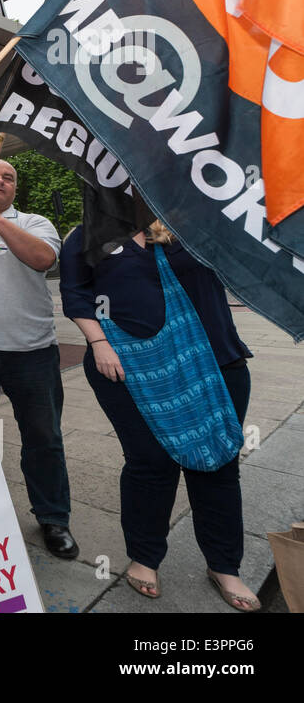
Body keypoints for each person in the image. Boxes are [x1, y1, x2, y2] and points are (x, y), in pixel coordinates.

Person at [60, 220, 258, 610]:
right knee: (150, 463)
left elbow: (242, 262)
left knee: (218, 465)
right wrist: (98, 341)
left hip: (215, 361)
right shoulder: (88, 234)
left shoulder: (190, 219)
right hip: (125, 365)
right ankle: (145, 557)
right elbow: (75, 293)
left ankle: (224, 565)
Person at [0, 159, 78, 559]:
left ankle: (53, 518)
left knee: (43, 439)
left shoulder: (35, 223)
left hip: (31, 353)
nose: (1, 182)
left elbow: (43, 259)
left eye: (9, 178)